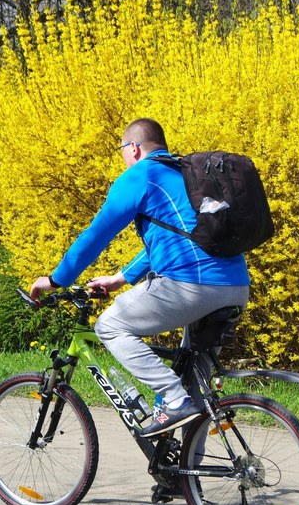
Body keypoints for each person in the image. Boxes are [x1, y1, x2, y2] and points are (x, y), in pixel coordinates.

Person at [29, 118, 250, 437]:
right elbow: (184, 237)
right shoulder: (187, 175)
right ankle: (181, 478)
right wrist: (120, 278)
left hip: (191, 284)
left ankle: (173, 400)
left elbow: (96, 235)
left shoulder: (140, 175)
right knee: (196, 388)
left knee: (110, 326)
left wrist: (56, 279)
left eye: (122, 150)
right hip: (235, 286)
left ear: (132, 148)